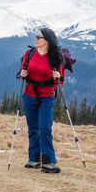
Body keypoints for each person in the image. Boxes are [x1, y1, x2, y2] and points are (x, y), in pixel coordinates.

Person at [20, 28, 63, 173]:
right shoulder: (29, 53)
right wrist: (23, 73)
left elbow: (60, 79)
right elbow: (23, 70)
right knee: (33, 128)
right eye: (36, 36)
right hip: (29, 95)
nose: (36, 39)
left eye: (39, 37)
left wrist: (57, 76)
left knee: (44, 128)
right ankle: (34, 159)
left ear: (47, 40)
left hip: (47, 96)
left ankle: (48, 161)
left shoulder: (55, 57)